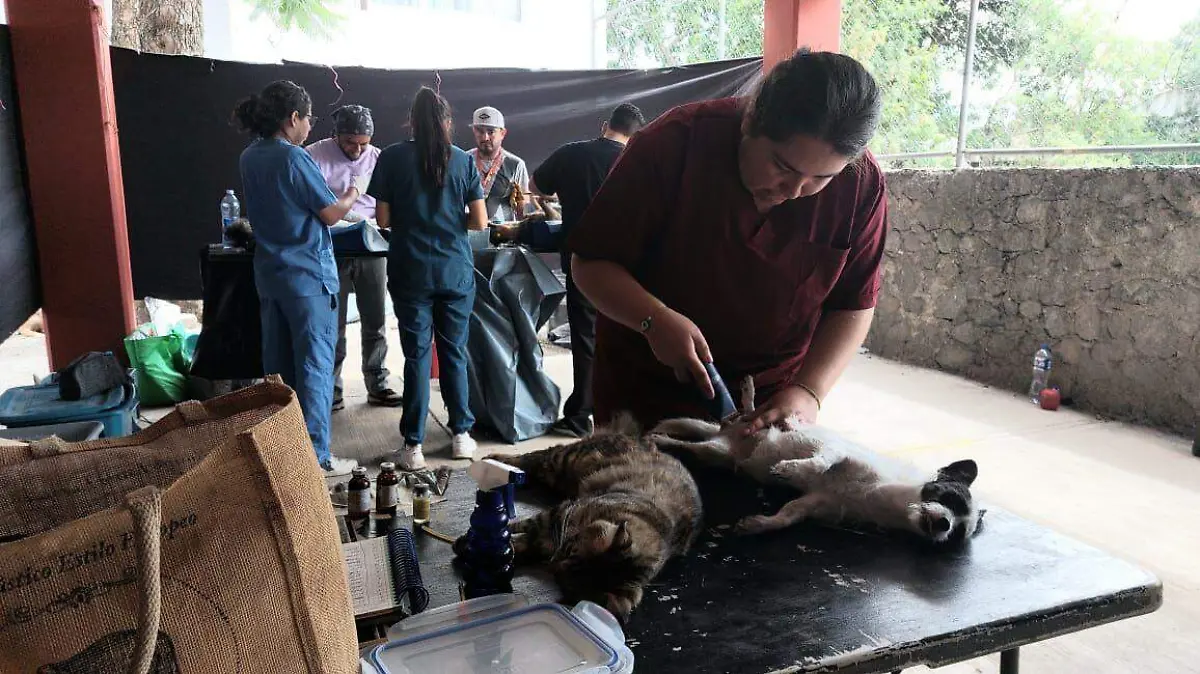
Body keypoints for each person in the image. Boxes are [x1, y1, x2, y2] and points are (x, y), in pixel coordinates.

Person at [566, 49, 886, 433]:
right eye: (783, 166)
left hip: (770, 408)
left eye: (822, 179)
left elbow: (853, 305)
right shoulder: (673, 146)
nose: (797, 190)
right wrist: (653, 320)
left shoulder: (861, 185)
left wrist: (808, 391)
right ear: (750, 119)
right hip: (647, 393)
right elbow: (590, 264)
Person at [234, 80, 361, 476]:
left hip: (272, 277)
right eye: (308, 119)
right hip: (308, 279)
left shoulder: (249, 156)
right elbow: (329, 213)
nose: (309, 127)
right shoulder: (294, 159)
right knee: (314, 370)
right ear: (293, 119)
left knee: (279, 371)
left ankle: (284, 455)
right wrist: (353, 194)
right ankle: (316, 460)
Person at [368, 86, 488, 470]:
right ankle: (461, 436)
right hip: (454, 270)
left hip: (410, 270)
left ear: (412, 121)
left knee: (417, 357)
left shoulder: (391, 158)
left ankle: (413, 444)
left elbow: (383, 220)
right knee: (454, 353)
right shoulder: (462, 161)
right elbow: (480, 221)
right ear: (447, 122)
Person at [531, 103, 646, 438]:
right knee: (629, 340)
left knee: (585, 340)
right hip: (631, 270)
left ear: (604, 125)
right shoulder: (636, 162)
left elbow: (537, 187)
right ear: (636, 136)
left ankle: (580, 416)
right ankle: (623, 417)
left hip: (584, 264)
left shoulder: (572, 154)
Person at [305, 104, 403, 411]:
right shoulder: (313, 155)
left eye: (363, 143)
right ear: (335, 135)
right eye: (350, 142)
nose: (357, 149)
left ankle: (378, 383)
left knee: (375, 319)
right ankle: (331, 388)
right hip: (331, 247)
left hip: (373, 246)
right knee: (332, 323)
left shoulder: (379, 158)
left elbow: (391, 202)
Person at [466, 106, 529, 222]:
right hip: (467, 231)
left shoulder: (515, 165)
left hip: (503, 234)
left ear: (503, 133)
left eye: (491, 132)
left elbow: (523, 208)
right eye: (480, 131)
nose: (485, 137)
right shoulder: (464, 161)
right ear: (474, 131)